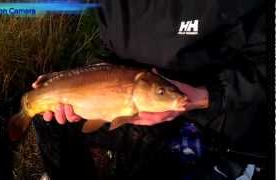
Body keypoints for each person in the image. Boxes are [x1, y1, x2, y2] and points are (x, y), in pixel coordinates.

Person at [31, 0, 267, 179]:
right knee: (50, 122)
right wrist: (78, 83)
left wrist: (206, 96)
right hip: (140, 103)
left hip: (217, 117)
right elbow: (112, 54)